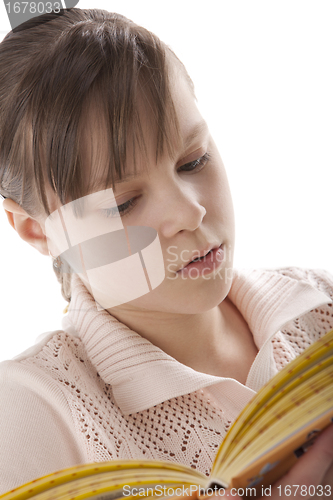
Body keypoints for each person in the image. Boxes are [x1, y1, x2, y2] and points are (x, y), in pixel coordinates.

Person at [0, 8, 332, 497]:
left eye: (193, 160)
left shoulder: (320, 303)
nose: (190, 212)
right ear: (35, 229)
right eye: (123, 202)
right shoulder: (34, 407)